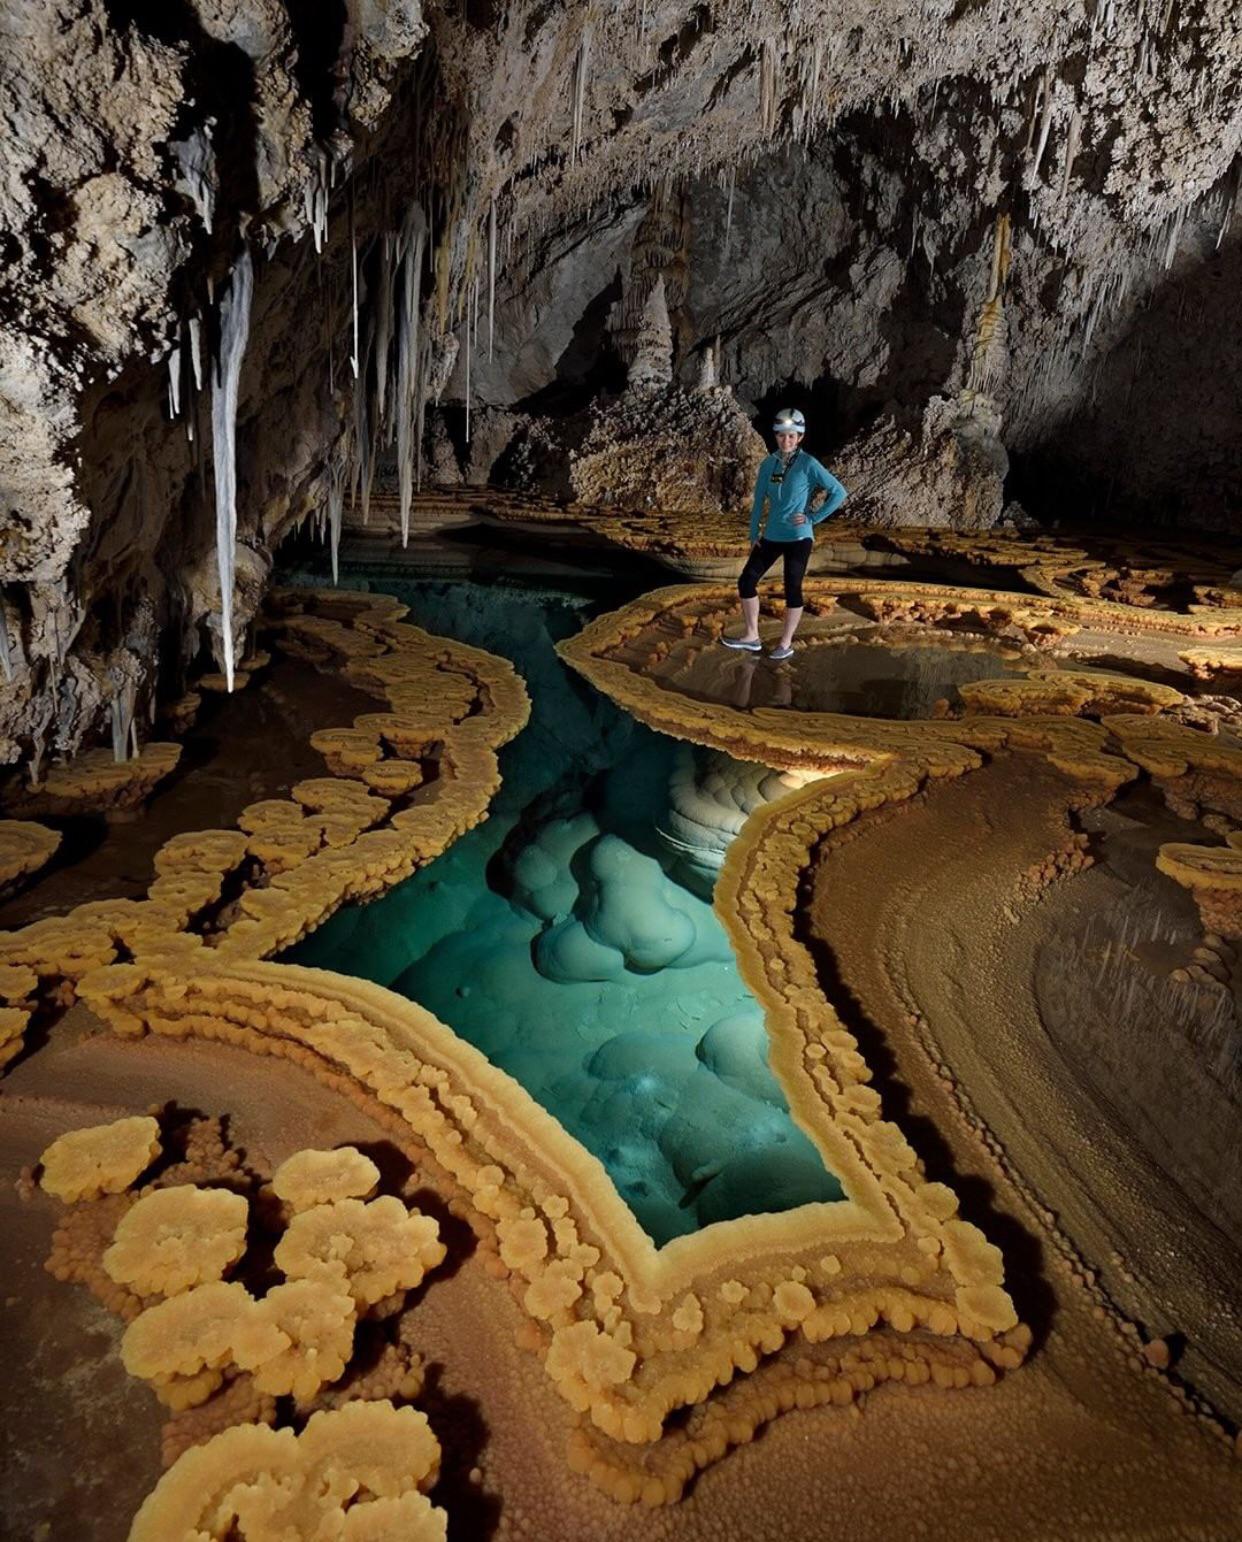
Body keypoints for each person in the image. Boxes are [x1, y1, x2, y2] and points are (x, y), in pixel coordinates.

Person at [722, 407, 847, 659]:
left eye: (792, 435)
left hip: (799, 537)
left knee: (792, 587)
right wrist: (753, 532)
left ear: (800, 437)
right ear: (775, 436)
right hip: (771, 535)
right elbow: (759, 500)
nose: (786, 440)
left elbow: (839, 492)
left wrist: (813, 517)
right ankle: (751, 636)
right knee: (746, 581)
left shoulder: (809, 464)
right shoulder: (768, 464)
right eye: (781, 435)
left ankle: (785, 643)